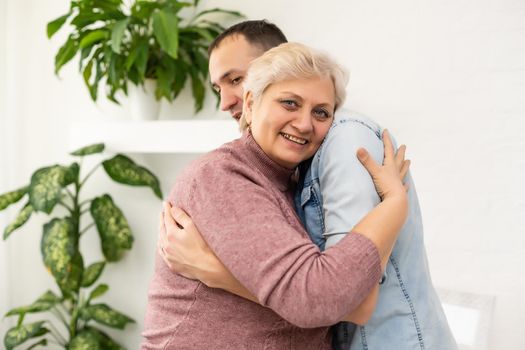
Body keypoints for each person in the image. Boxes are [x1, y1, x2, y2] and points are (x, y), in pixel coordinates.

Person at [157, 20, 456, 349]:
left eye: (236, 79)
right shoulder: (230, 174)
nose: (227, 101)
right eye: (290, 103)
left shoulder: (343, 142)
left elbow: (348, 301)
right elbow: (316, 296)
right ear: (255, 100)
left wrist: (215, 271)